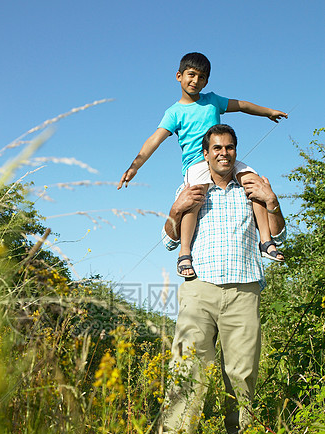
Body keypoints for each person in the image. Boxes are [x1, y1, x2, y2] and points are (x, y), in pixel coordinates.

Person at [142, 124, 286, 434]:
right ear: (206, 153)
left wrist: (273, 201)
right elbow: (168, 240)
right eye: (217, 148)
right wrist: (176, 210)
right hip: (200, 288)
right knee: (189, 362)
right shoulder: (194, 187)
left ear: (236, 152)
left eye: (230, 147)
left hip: (244, 287)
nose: (224, 153)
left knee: (241, 371)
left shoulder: (251, 186)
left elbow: (277, 238)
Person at [117, 52, 287, 277]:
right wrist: (135, 166)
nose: (196, 81)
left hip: (222, 159)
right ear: (179, 76)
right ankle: (184, 253)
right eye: (191, 75)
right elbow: (154, 140)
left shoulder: (213, 101)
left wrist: (268, 112)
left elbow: (242, 105)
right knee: (195, 197)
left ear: (207, 81)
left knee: (254, 183)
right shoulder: (174, 112)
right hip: (197, 163)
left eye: (202, 77)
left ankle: (266, 242)